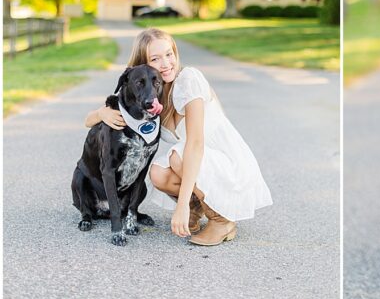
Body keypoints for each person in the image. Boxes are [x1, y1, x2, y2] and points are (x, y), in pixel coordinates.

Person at [85, 28, 272, 246]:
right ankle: (197, 208)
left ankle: (222, 220)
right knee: (158, 173)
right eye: (155, 58)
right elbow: (88, 121)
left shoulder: (189, 79)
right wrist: (102, 113)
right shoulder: (151, 92)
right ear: (143, 65)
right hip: (202, 164)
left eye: (169, 54)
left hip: (227, 164)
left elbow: (195, 145)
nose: (165, 64)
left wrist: (179, 206)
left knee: (177, 156)